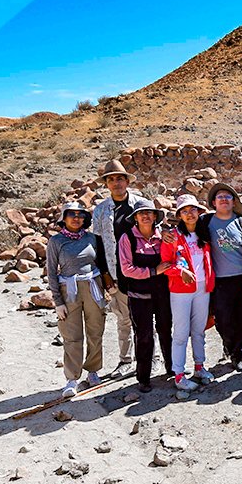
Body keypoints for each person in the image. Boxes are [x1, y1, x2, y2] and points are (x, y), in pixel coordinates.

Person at [46, 202, 108, 397]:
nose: (76, 218)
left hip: (93, 287)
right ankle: (72, 378)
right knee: (71, 335)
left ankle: (93, 371)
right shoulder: (55, 242)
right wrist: (58, 302)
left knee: (95, 330)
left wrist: (106, 290)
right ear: (63, 218)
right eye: (71, 214)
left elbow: (102, 265)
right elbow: (51, 272)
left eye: (80, 215)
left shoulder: (93, 239)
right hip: (68, 291)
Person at [92, 159, 145, 376]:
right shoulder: (101, 210)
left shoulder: (141, 204)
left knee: (144, 317)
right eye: (111, 179)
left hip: (141, 271)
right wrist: (105, 276)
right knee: (123, 318)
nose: (116, 183)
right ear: (106, 184)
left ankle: (151, 358)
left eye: (120, 178)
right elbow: (97, 244)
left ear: (126, 181)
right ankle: (125, 360)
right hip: (115, 273)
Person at [118, 197, 173, 392]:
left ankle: (172, 369)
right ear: (135, 218)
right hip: (139, 297)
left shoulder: (162, 236)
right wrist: (153, 271)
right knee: (144, 336)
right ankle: (143, 377)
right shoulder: (127, 238)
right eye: (142, 213)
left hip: (163, 295)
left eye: (149, 213)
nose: (146, 216)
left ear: (155, 216)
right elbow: (126, 269)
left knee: (166, 332)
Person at [162, 194, 215, 392]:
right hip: (180, 291)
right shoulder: (173, 237)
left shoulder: (204, 234)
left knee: (199, 331)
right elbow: (165, 264)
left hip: (202, 288)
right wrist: (179, 272)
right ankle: (178, 374)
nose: (189, 214)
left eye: (193, 209)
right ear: (180, 215)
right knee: (181, 333)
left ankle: (199, 367)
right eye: (184, 211)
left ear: (199, 212)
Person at [203, 183, 242, 372]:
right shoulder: (206, 222)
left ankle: (241, 355)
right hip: (219, 281)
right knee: (223, 319)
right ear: (213, 202)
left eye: (228, 197)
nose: (224, 199)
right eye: (220, 197)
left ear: (234, 202)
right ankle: (230, 346)